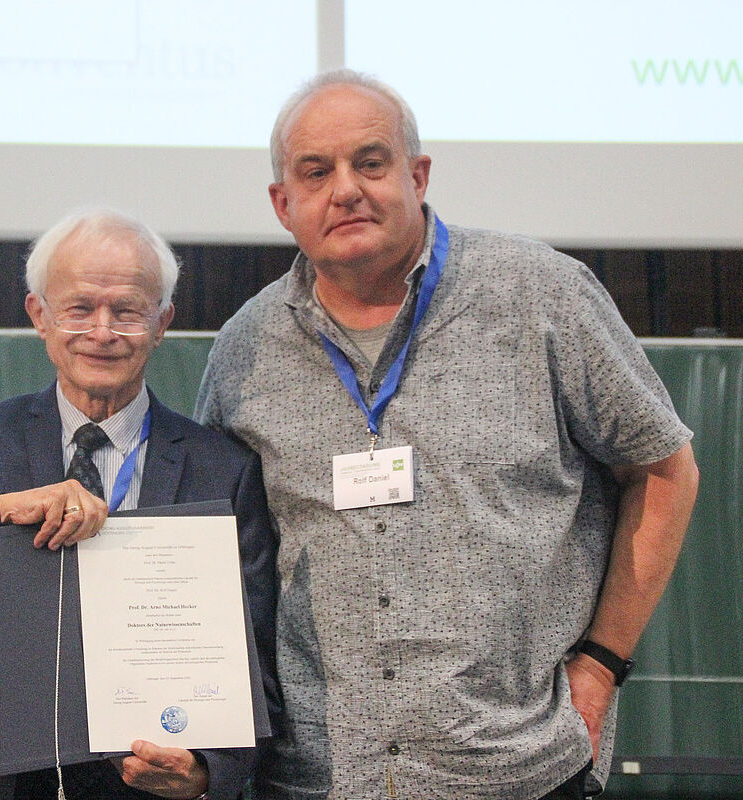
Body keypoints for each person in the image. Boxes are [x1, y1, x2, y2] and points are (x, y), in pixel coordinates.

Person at [194, 69, 700, 800]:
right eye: (316, 171)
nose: (346, 189)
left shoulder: (541, 295)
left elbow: (664, 470)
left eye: (371, 162)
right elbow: (224, 554)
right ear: (283, 203)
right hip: (317, 780)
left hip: (519, 770)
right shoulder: (244, 348)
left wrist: (601, 665)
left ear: (418, 174)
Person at [0, 208, 279, 800]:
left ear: (162, 323)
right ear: (39, 317)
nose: (102, 332)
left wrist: (206, 772)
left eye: (126, 310)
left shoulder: (221, 469)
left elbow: (258, 655)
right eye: (79, 308)